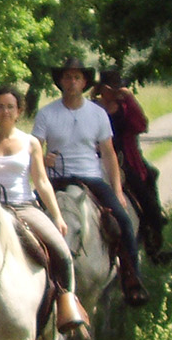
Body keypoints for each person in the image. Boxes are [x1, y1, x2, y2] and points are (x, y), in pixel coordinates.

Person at [0, 84, 90, 333]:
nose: (5, 111)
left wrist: (56, 216)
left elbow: (41, 181)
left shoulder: (31, 142)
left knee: (62, 253)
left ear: (19, 111)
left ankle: (67, 306)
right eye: (0, 106)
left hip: (24, 206)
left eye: (10, 107)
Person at [32, 56, 148, 306]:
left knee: (124, 222)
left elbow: (107, 153)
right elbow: (34, 151)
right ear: (60, 82)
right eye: (67, 77)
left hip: (91, 178)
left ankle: (132, 279)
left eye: (76, 77)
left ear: (84, 82)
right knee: (24, 221)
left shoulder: (97, 114)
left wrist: (117, 190)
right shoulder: (46, 114)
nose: (71, 82)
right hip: (56, 179)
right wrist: (43, 159)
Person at [91, 69, 172, 264]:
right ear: (102, 89)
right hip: (96, 158)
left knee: (149, 182)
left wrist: (130, 99)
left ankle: (154, 242)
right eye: (112, 88)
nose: (116, 92)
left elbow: (140, 125)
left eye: (119, 88)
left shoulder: (125, 106)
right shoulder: (92, 107)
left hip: (127, 158)